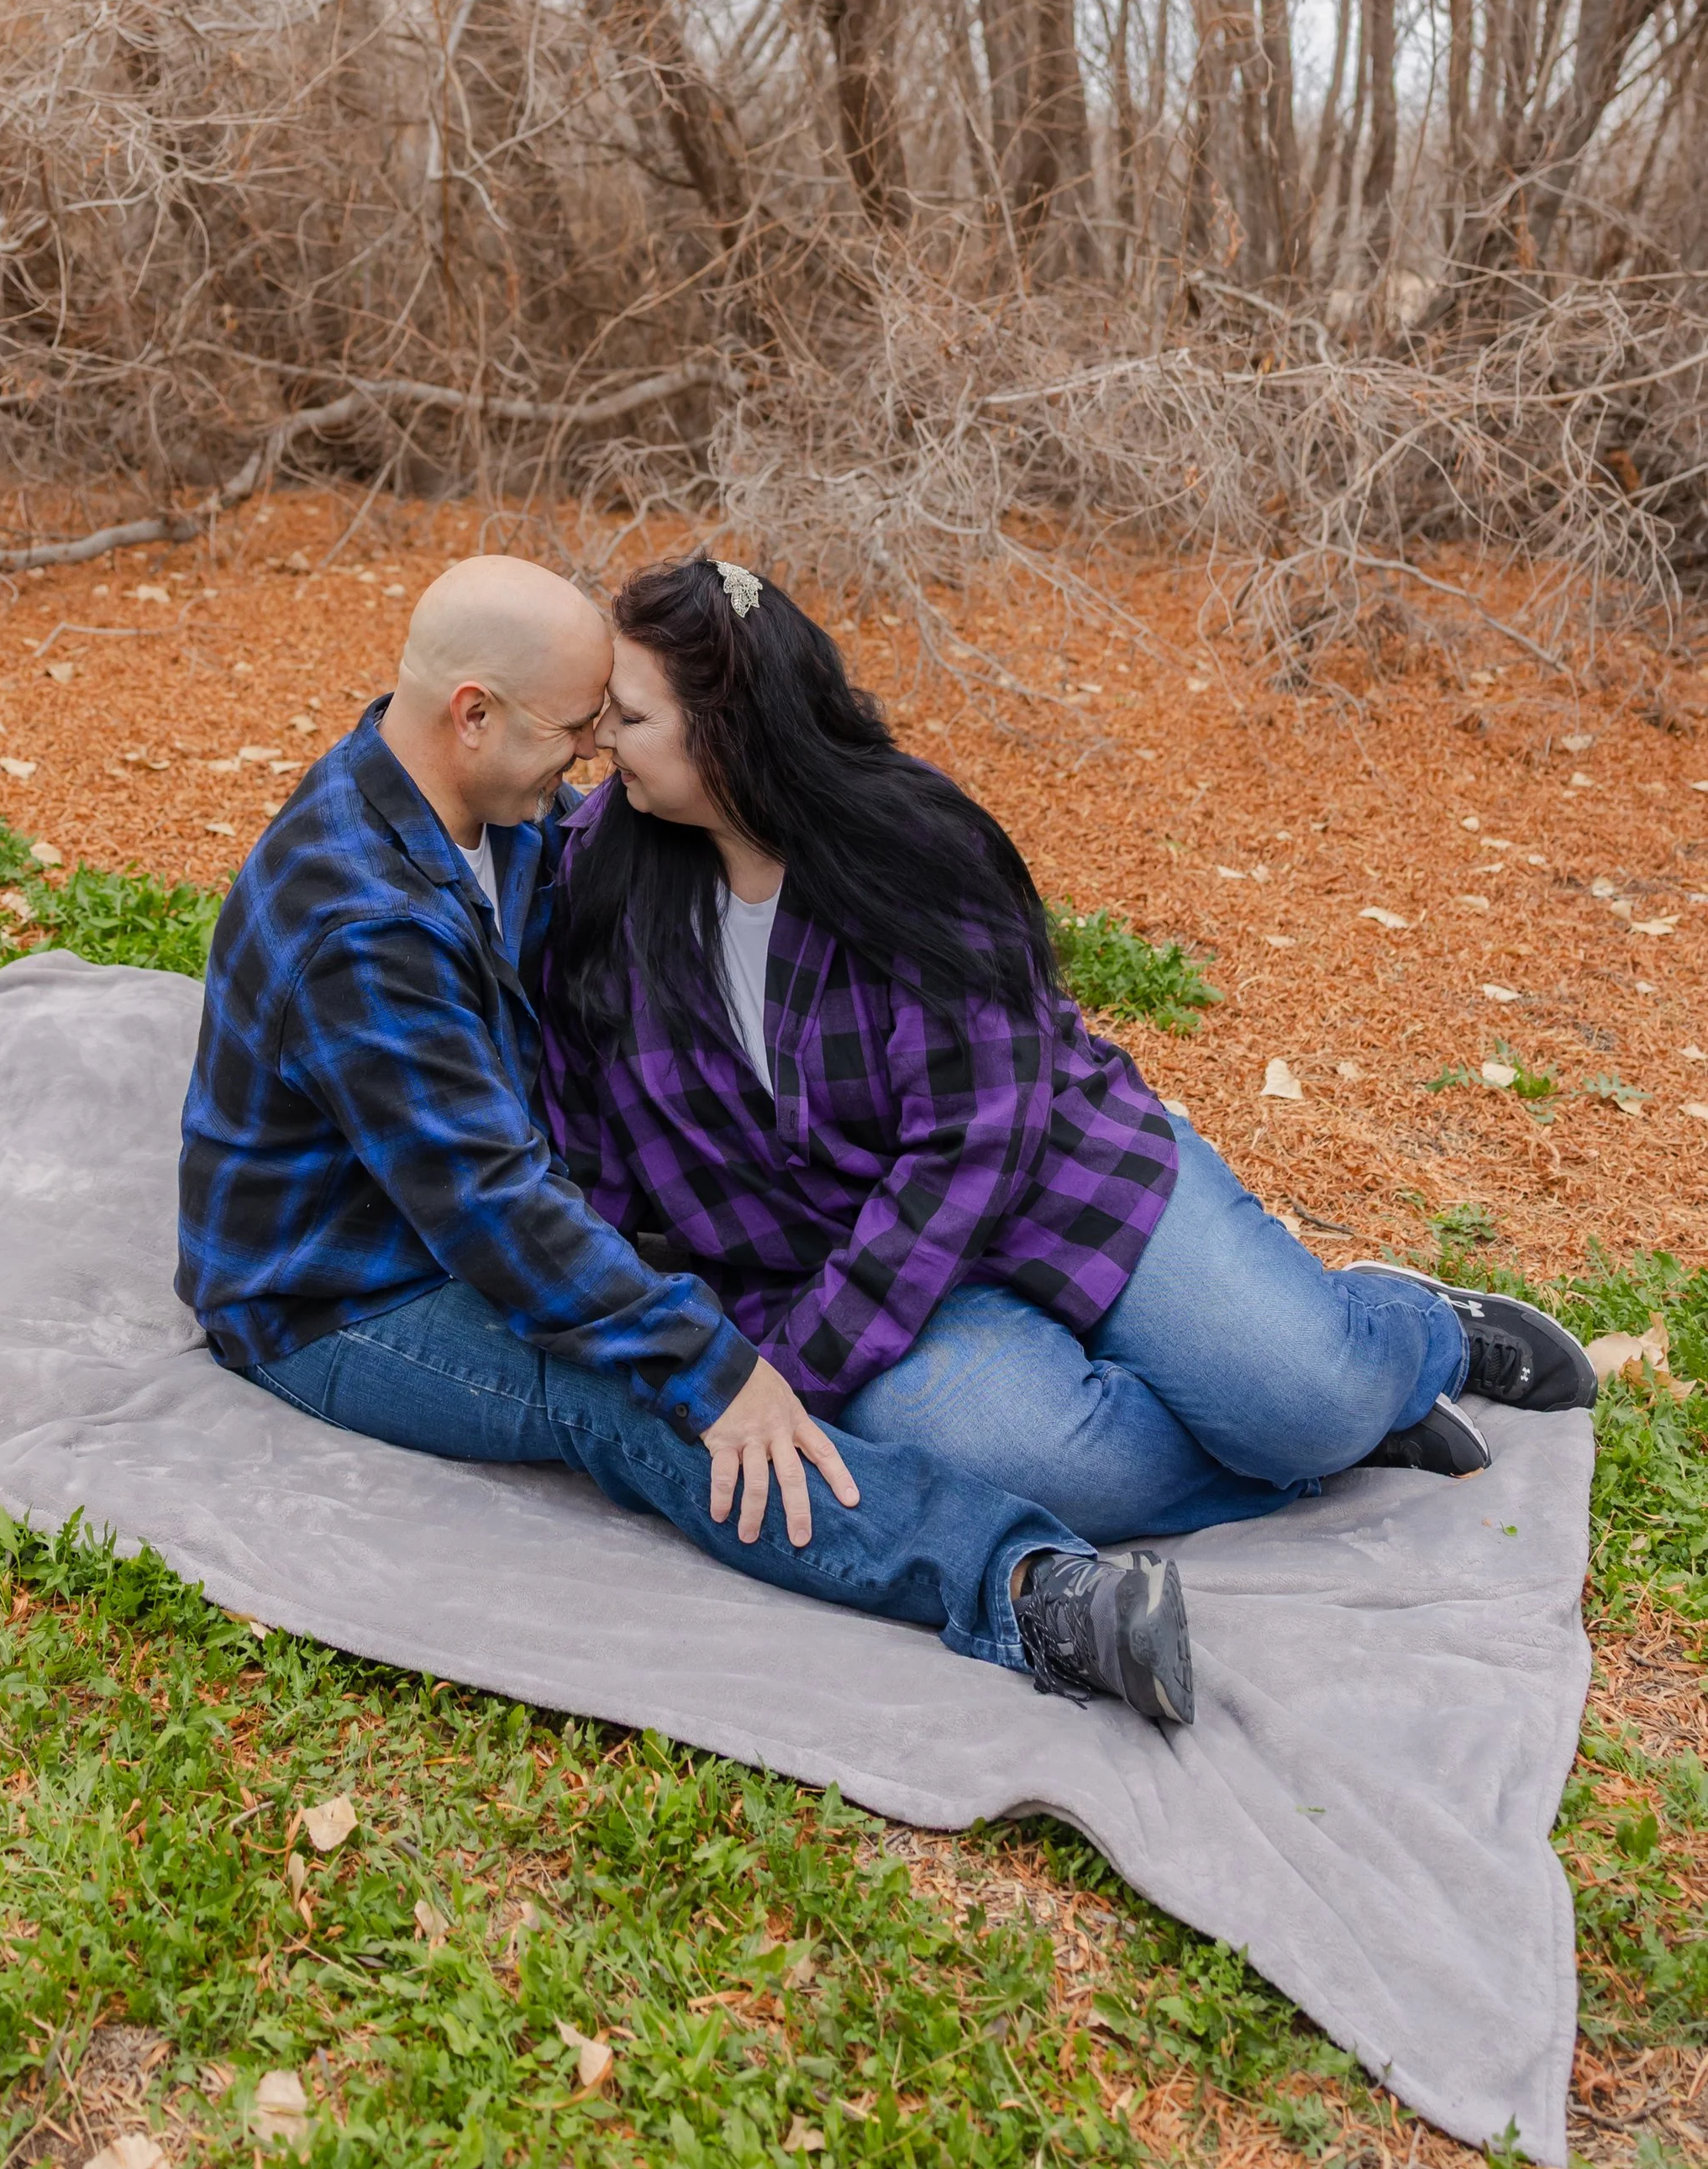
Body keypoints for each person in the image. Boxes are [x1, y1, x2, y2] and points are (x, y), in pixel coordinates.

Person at [176, 554, 1192, 1723]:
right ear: (475, 714)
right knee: (632, 1395)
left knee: (674, 1329)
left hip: (480, 1208)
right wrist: (722, 1374)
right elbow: (499, 1213)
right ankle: (1029, 1592)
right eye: (576, 727)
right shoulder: (357, 924)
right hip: (341, 1292)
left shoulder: (489, 808)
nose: (595, 753)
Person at [538, 555, 1598, 1554]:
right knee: (1038, 1466)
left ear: (731, 731)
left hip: (1052, 1174)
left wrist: (801, 1369)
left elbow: (976, 1137)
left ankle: (1413, 1336)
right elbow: (584, 1117)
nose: (598, 746)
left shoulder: (914, 849)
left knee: (1305, 1398)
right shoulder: (602, 870)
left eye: (629, 719)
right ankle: (1313, 1446)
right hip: (822, 1259)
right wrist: (695, 1344)